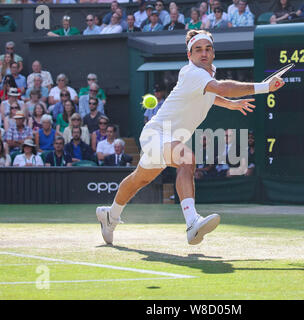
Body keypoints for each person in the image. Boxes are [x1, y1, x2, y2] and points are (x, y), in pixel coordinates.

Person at [96, 29, 285, 246]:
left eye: (208, 49)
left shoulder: (206, 76)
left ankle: (110, 215)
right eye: (198, 50)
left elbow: (212, 94)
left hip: (165, 140)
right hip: (157, 133)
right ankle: (192, 223)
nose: (203, 53)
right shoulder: (192, 73)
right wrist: (264, 87)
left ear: (213, 53)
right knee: (186, 159)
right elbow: (222, 87)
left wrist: (228, 103)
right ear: (189, 55)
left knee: (140, 178)